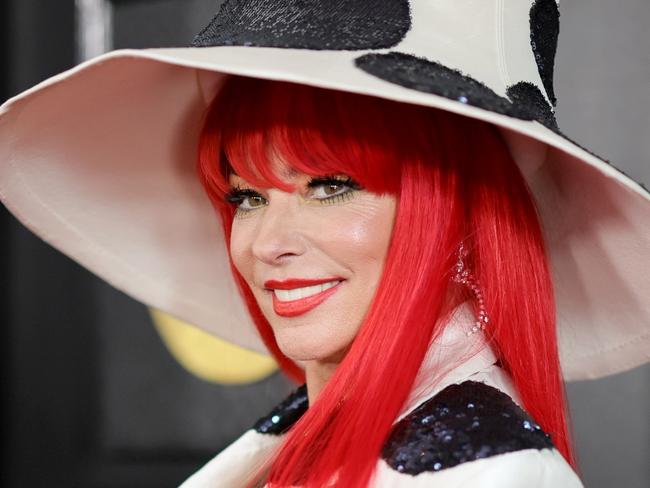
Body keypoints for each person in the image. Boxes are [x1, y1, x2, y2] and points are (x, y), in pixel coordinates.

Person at [0, 1, 648, 487]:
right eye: (245, 197)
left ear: (462, 215)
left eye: (332, 185)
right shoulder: (330, 439)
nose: (267, 243)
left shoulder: (488, 473)